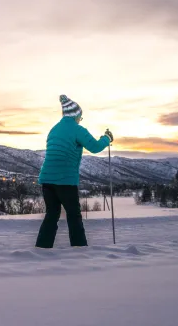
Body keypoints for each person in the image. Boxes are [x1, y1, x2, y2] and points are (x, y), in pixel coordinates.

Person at [35, 95, 113, 248]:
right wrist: (107, 138)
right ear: (76, 115)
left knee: (51, 215)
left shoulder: (54, 130)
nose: (80, 120)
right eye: (80, 117)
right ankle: (79, 250)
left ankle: (42, 249)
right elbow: (95, 147)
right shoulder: (77, 130)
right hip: (65, 181)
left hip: (47, 181)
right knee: (74, 216)